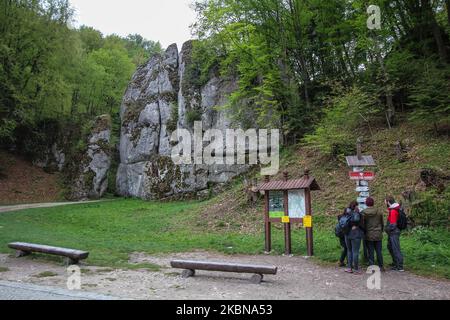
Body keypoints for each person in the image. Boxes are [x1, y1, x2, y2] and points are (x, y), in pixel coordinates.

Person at [362, 197, 385, 271]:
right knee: (379, 251)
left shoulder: (363, 212)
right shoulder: (379, 212)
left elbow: (363, 224)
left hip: (369, 234)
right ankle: (381, 266)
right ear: (373, 203)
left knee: (370, 251)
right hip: (378, 233)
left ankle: (371, 267)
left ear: (366, 203)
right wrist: (381, 230)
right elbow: (382, 223)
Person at [344, 201, 365, 274]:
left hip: (347, 234)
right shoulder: (357, 213)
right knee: (355, 252)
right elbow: (360, 223)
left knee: (349, 251)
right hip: (356, 234)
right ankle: (356, 269)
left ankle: (349, 268)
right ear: (356, 206)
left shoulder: (346, 211)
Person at [385, 196, 405, 272]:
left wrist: (386, 229)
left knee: (395, 248)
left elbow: (393, 224)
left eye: (385, 202)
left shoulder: (393, 211)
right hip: (393, 232)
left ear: (388, 202)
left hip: (394, 232)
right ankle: (395, 263)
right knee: (390, 247)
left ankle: (399, 266)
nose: (385, 203)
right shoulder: (395, 208)